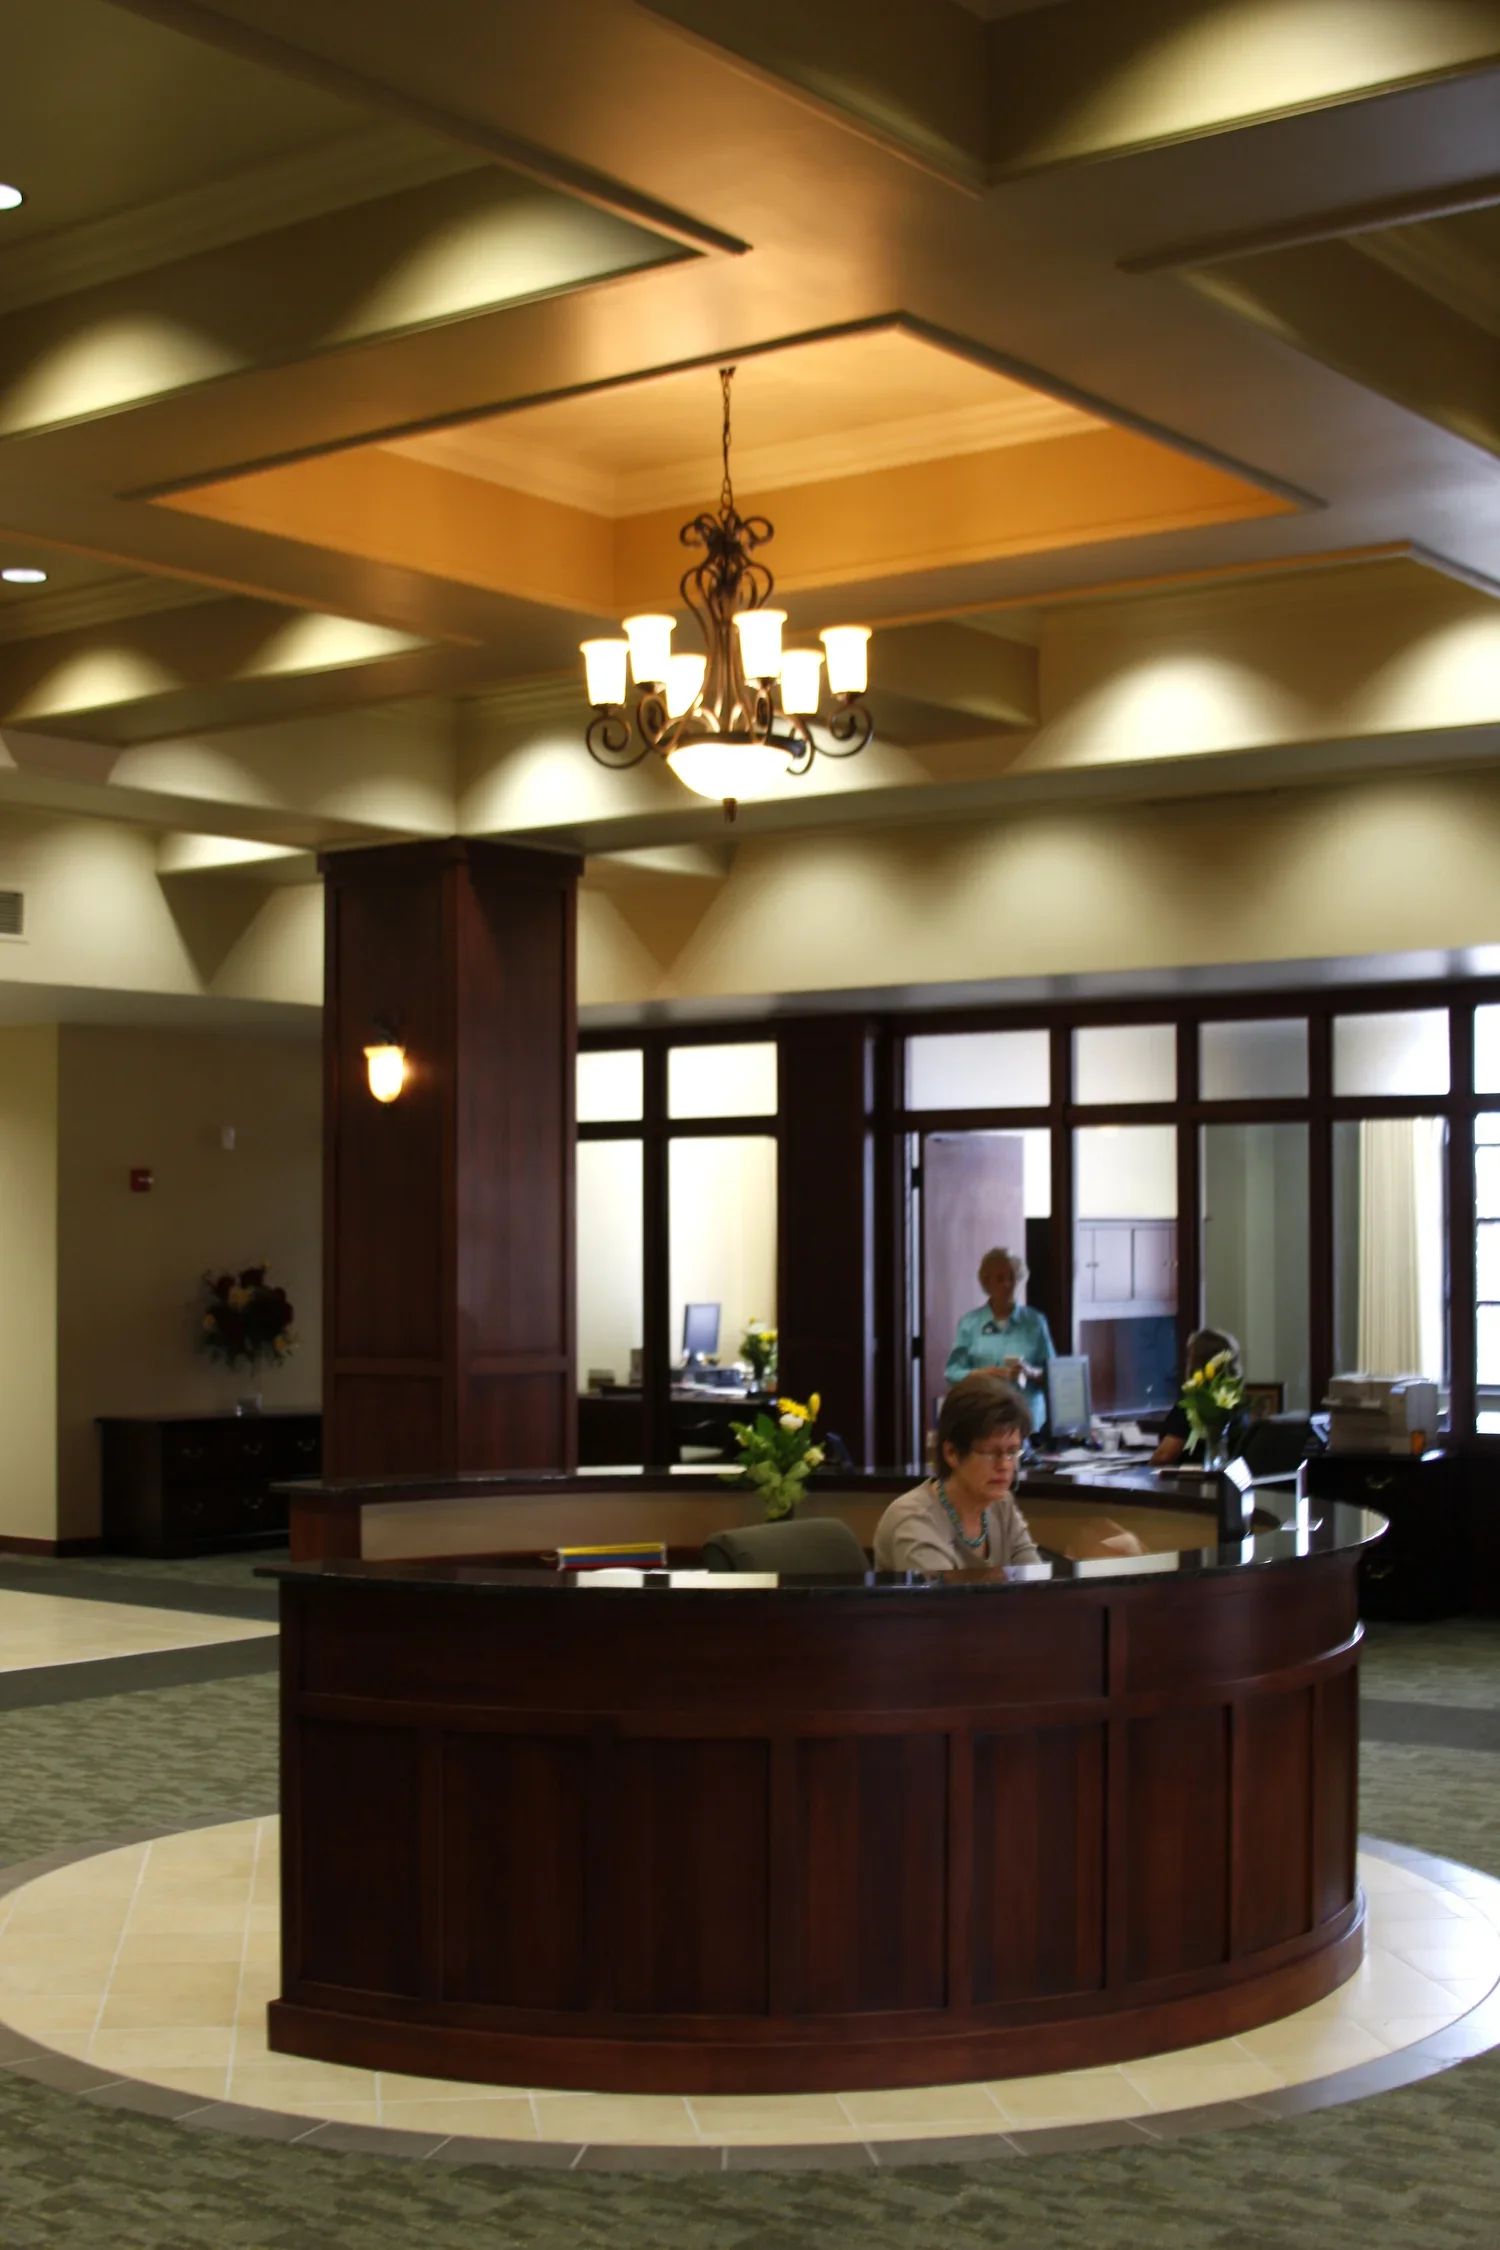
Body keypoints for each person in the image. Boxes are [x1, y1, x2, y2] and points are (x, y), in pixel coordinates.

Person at [875, 1372, 1041, 1573]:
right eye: (990, 1452)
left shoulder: (1001, 1505)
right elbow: (944, 1604)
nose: (1005, 1465)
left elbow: (1038, 1586)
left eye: (1012, 1451)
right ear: (951, 1453)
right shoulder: (914, 1520)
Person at [945, 1247, 1056, 1432]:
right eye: (999, 1278)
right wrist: (982, 1375)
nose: (1007, 1284)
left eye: (1012, 1277)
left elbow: (1054, 1373)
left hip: (1027, 1421)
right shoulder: (969, 1324)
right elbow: (952, 1373)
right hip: (982, 1418)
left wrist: (1031, 1372)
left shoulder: (1035, 1322)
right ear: (986, 1283)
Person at [1149, 1326, 1242, 1467]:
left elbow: (1164, 1456)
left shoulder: (1195, 1405)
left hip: (1190, 1483)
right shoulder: (1236, 1404)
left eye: (1189, 1358)